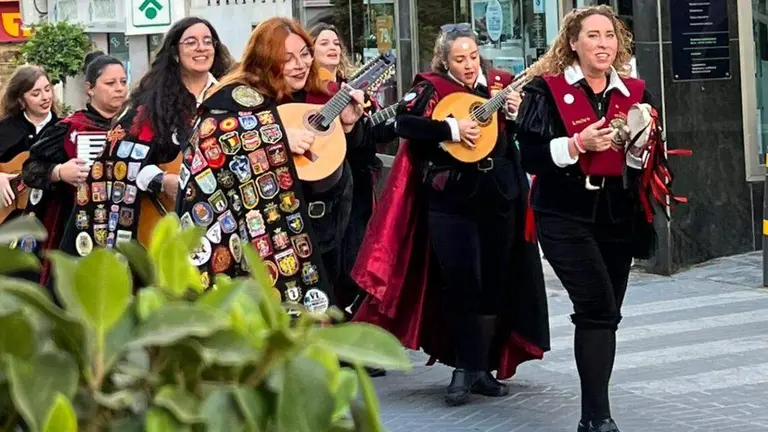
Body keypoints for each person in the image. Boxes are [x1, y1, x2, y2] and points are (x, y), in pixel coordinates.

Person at [351, 23, 550, 406]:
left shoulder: (498, 85)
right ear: (445, 60)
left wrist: (515, 113)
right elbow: (403, 123)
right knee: (461, 281)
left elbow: (522, 134)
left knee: (494, 282)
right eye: (460, 59)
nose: (469, 65)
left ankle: (482, 370)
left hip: (499, 196)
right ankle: (462, 367)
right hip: (451, 199)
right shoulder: (430, 87)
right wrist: (450, 128)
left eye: (473, 57)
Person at [515, 6, 676, 431]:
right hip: (563, 213)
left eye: (609, 36)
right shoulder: (545, 91)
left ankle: (595, 416)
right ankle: (597, 417)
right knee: (596, 306)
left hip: (618, 214)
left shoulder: (636, 90)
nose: (603, 44)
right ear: (573, 43)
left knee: (606, 313)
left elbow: (647, 161)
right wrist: (575, 144)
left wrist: (642, 149)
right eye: (593, 36)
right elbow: (528, 155)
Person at [175, 17, 366, 308]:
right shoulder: (233, 97)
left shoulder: (317, 93)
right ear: (265, 59)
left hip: (324, 230)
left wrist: (349, 128)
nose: (300, 64)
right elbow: (210, 138)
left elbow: (355, 155)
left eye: (304, 54)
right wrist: (274, 136)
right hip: (258, 242)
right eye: (287, 58)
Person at [58, 17, 233, 259]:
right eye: (191, 42)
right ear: (175, 52)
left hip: (224, 217)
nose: (201, 48)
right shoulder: (151, 105)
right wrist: (162, 181)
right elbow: (120, 164)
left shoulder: (230, 97)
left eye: (207, 41)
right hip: (164, 224)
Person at [21, 55, 127, 285]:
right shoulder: (71, 128)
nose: (119, 89)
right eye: (110, 83)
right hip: (75, 223)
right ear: (90, 88)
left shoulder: (134, 126)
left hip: (124, 221)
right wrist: (59, 172)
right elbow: (30, 170)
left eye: (123, 82)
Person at [309, 22, 392, 315]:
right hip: (318, 193)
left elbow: (367, 143)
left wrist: (353, 126)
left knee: (355, 259)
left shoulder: (350, 88)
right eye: (324, 43)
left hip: (354, 185)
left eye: (336, 43)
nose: (333, 47)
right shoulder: (303, 94)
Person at [0, 65, 58, 219]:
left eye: (47, 89)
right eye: (36, 93)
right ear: (21, 100)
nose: (45, 97)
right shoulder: (4, 129)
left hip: (51, 216)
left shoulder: (64, 129)